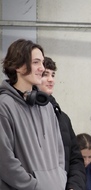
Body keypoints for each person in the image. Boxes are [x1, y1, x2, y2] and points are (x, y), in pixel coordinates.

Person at [0, 39, 67, 189]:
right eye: (36, 62)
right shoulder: (4, 106)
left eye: (42, 63)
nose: (42, 68)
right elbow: (4, 161)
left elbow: (59, 151)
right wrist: (34, 186)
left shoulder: (46, 106)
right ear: (18, 65)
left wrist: (60, 177)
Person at [37, 57, 86, 190]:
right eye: (45, 74)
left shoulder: (63, 118)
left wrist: (74, 186)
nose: (51, 79)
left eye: (53, 75)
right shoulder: (24, 114)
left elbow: (76, 159)